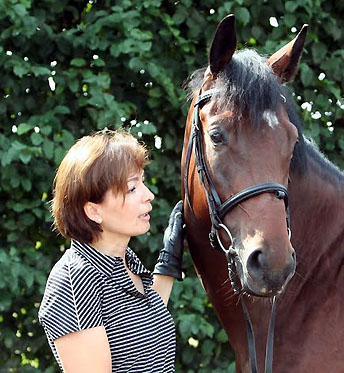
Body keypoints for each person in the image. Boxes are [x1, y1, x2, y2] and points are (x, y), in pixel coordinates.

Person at [38, 129, 185, 373]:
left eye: (143, 182)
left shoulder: (125, 262)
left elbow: (143, 324)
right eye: (132, 188)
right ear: (94, 211)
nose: (149, 195)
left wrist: (170, 258)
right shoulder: (75, 282)